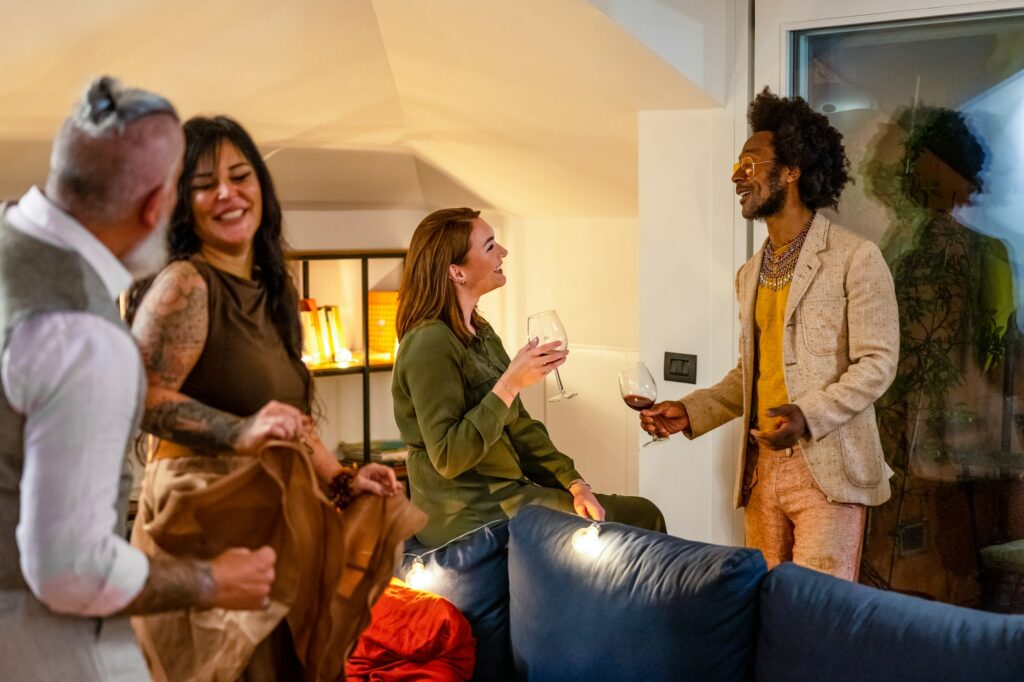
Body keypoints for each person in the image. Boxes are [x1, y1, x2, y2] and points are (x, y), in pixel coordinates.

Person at [0, 77, 277, 681]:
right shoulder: (86, 339)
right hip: (39, 643)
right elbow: (70, 571)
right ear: (159, 206)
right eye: (190, 184)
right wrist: (214, 580)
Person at [127, 115, 404, 680]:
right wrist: (237, 431)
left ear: (261, 187)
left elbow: (291, 416)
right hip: (202, 527)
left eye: (240, 175)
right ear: (183, 201)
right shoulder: (185, 282)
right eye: (205, 183)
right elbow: (133, 394)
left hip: (275, 523)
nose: (227, 193)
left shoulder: (275, 289)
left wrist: (340, 477)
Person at [641, 88, 899, 581]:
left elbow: (877, 363)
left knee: (817, 615)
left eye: (750, 163)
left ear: (791, 169)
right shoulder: (748, 274)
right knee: (766, 613)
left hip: (828, 472)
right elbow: (751, 374)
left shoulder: (855, 258)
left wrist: (808, 414)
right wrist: (691, 410)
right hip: (760, 472)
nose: (737, 175)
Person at [392, 207, 666, 547]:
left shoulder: (480, 331)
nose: (503, 252)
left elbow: (519, 426)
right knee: (641, 518)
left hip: (511, 492)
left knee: (639, 512)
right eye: (490, 246)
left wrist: (573, 482)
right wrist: (509, 384)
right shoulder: (429, 343)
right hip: (470, 511)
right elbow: (448, 456)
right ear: (456, 271)